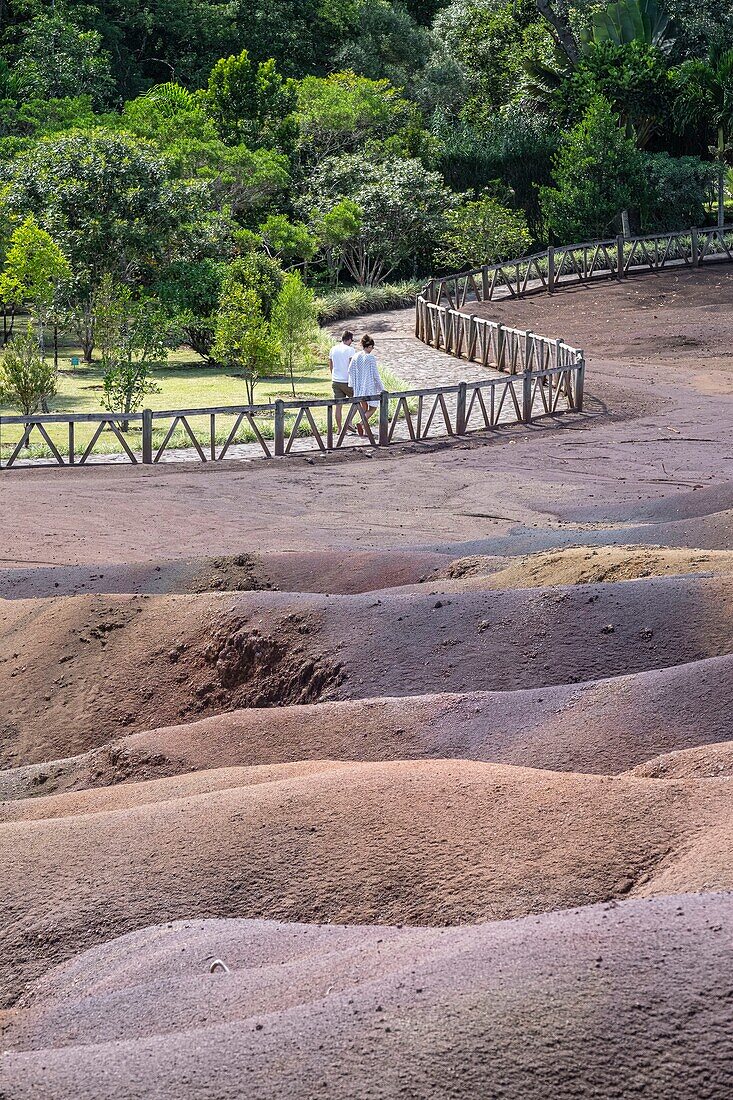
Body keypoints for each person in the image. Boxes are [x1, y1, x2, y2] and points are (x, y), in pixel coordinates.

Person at [348, 334, 385, 437]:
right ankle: (361, 424)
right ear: (369, 346)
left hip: (359, 388)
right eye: (372, 347)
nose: (372, 349)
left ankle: (364, 429)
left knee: (364, 409)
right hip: (368, 387)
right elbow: (375, 374)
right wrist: (382, 388)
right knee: (373, 408)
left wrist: (355, 383)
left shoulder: (356, 356)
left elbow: (350, 370)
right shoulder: (370, 358)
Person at [329, 330, 355, 432]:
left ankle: (339, 429)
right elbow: (351, 366)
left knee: (338, 406)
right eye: (351, 340)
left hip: (335, 380)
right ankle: (349, 421)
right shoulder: (350, 350)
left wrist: (334, 376)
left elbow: (331, 365)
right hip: (347, 381)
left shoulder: (333, 349)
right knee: (359, 400)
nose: (351, 342)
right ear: (348, 339)